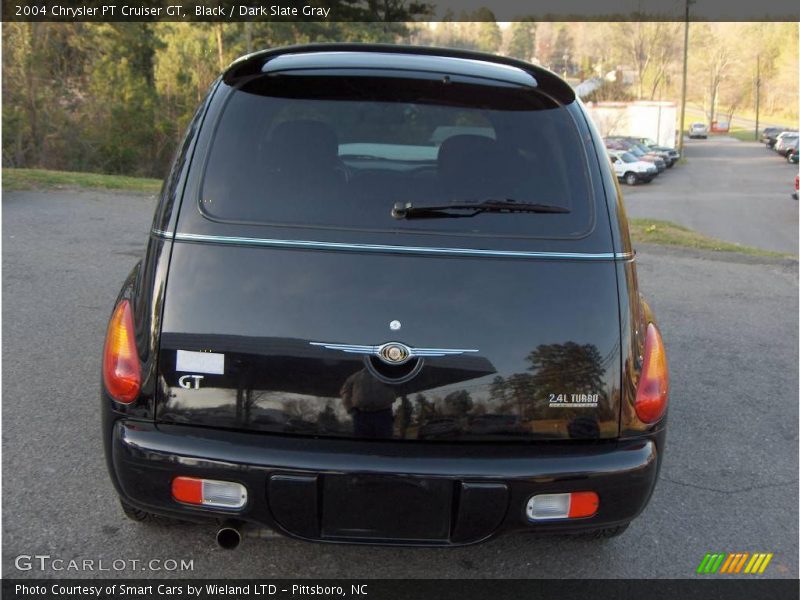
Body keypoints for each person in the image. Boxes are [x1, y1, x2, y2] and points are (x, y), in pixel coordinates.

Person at [339, 368, 398, 439]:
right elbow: (345, 394)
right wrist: (350, 410)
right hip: (362, 415)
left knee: (384, 444)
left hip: (383, 414)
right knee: (362, 444)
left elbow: (399, 383)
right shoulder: (354, 377)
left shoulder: (386, 375)